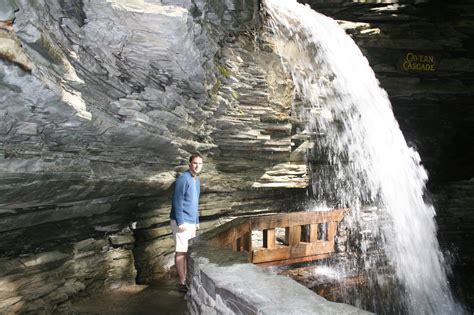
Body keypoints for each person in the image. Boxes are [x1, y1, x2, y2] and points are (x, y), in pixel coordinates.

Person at [170, 153, 203, 293]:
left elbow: (195, 202)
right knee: (181, 251)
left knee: (187, 251)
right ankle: (182, 283)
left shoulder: (196, 180)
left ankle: (186, 279)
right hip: (182, 221)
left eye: (200, 164)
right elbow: (177, 200)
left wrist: (196, 220)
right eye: (195, 163)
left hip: (190, 221)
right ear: (189, 164)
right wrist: (180, 221)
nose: (197, 166)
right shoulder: (183, 178)